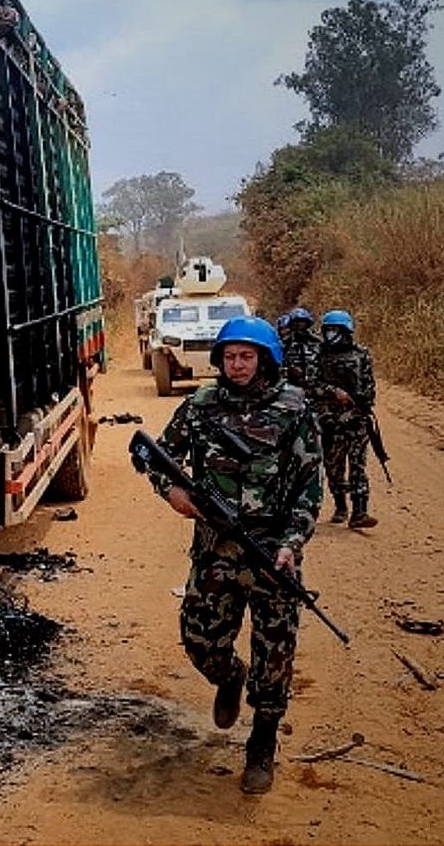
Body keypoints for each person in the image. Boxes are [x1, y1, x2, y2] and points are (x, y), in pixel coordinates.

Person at [144, 316, 322, 794]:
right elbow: (153, 455)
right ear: (219, 360)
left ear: (265, 359)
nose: (237, 365)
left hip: (272, 554)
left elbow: (309, 488)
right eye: (229, 356)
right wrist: (171, 492)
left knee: (275, 653)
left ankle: (261, 745)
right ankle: (228, 676)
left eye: (246, 356)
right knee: (199, 640)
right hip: (215, 551)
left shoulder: (295, 408)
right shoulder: (200, 407)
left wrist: (290, 544)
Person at [317, 309, 378, 528]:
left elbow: (369, 385)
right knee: (333, 468)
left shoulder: (361, 354)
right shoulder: (320, 353)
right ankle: (341, 505)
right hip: (330, 421)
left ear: (345, 331)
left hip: (356, 421)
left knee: (358, 466)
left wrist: (361, 405)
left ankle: (359, 512)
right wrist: (332, 392)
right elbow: (312, 385)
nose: (329, 334)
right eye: (327, 330)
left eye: (334, 330)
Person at [280, 307, 321, 392]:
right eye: (296, 323)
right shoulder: (284, 344)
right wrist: (288, 371)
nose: (299, 326)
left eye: (302, 322)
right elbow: (276, 367)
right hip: (289, 388)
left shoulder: (317, 342)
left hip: (314, 387)